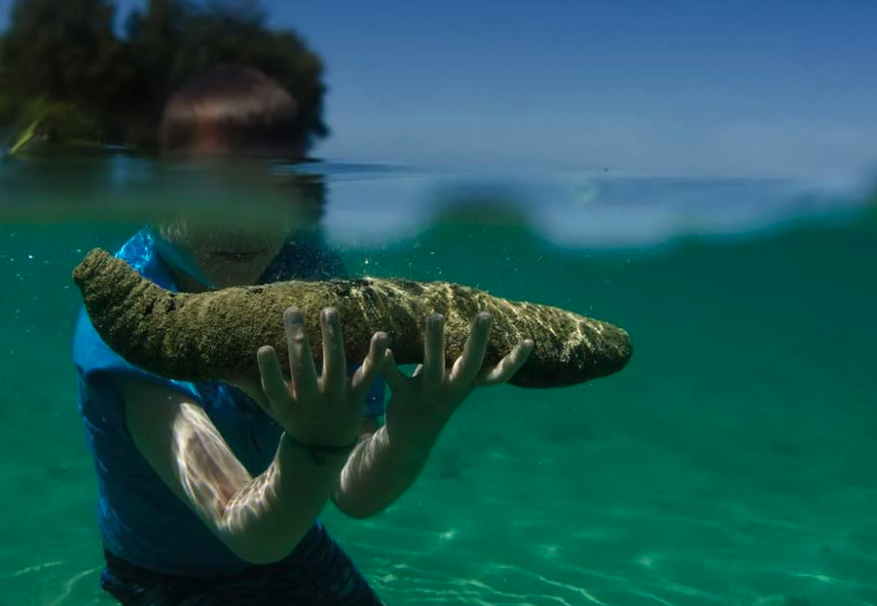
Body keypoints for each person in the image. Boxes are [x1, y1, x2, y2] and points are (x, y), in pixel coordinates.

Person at [71, 65, 534, 606]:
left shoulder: (310, 275)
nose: (240, 221)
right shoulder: (128, 323)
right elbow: (243, 526)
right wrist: (316, 442)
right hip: (170, 577)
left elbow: (353, 493)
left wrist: (410, 430)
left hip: (296, 546)